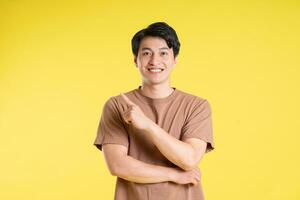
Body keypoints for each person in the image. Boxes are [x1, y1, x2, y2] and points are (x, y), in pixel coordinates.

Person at [93, 22, 215, 200]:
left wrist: (148, 126)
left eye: (163, 53)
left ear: (175, 60)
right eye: (146, 53)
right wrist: (174, 175)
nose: (154, 61)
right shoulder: (117, 105)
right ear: (136, 60)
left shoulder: (196, 106)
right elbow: (117, 165)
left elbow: (189, 159)